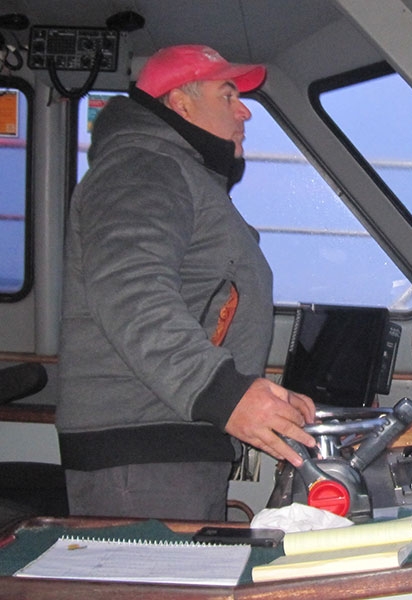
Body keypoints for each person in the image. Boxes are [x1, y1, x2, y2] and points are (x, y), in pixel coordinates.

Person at [57, 45, 316, 521]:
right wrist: (224, 394)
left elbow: (205, 307)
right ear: (180, 102)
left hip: (168, 441)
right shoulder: (142, 167)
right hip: (142, 452)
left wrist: (254, 394)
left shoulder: (177, 173)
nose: (244, 111)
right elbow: (131, 293)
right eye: (228, 95)